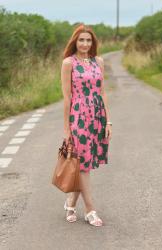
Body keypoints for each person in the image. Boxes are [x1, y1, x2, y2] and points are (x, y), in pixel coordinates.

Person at [61, 24, 112, 227]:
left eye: (88, 40)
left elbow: (102, 92)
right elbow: (67, 98)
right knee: (82, 164)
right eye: (81, 40)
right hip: (79, 117)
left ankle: (71, 203)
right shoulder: (68, 63)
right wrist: (67, 129)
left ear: (93, 43)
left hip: (97, 115)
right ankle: (90, 209)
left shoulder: (98, 61)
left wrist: (108, 121)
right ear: (75, 41)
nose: (84, 43)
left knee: (87, 162)